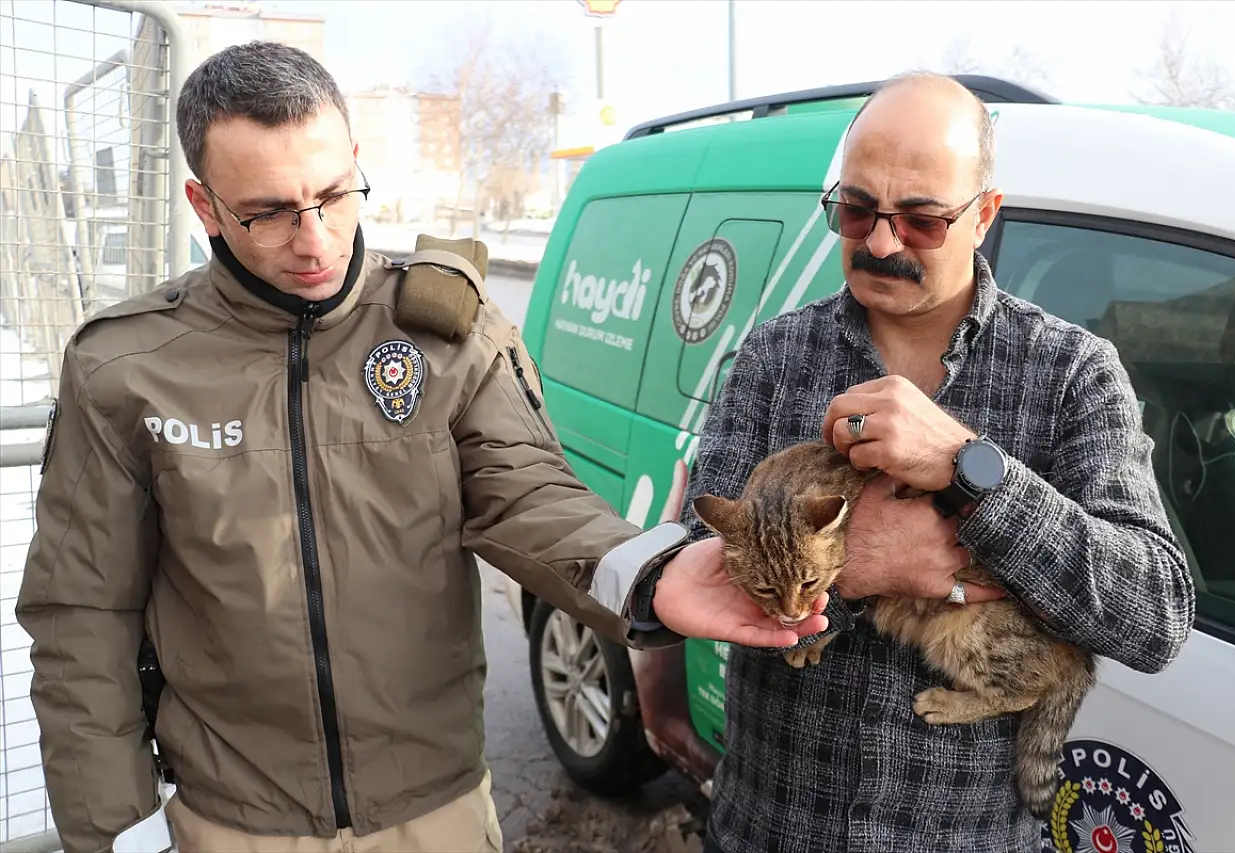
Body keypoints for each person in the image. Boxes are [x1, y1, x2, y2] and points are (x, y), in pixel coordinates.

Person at [15, 42, 828, 853]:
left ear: (355, 159)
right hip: (229, 822)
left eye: (334, 194)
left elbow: (531, 498)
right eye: (269, 212)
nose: (315, 240)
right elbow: (81, 615)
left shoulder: (446, 331)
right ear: (205, 205)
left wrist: (652, 573)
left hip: (434, 812)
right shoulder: (127, 368)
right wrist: (120, 833)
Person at [685, 71, 1196, 853]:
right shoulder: (774, 354)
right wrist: (859, 567)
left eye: (922, 220)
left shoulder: (1072, 372)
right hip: (768, 828)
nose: (880, 243)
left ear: (984, 214)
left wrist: (970, 468)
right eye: (857, 210)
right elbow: (700, 568)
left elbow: (1154, 615)